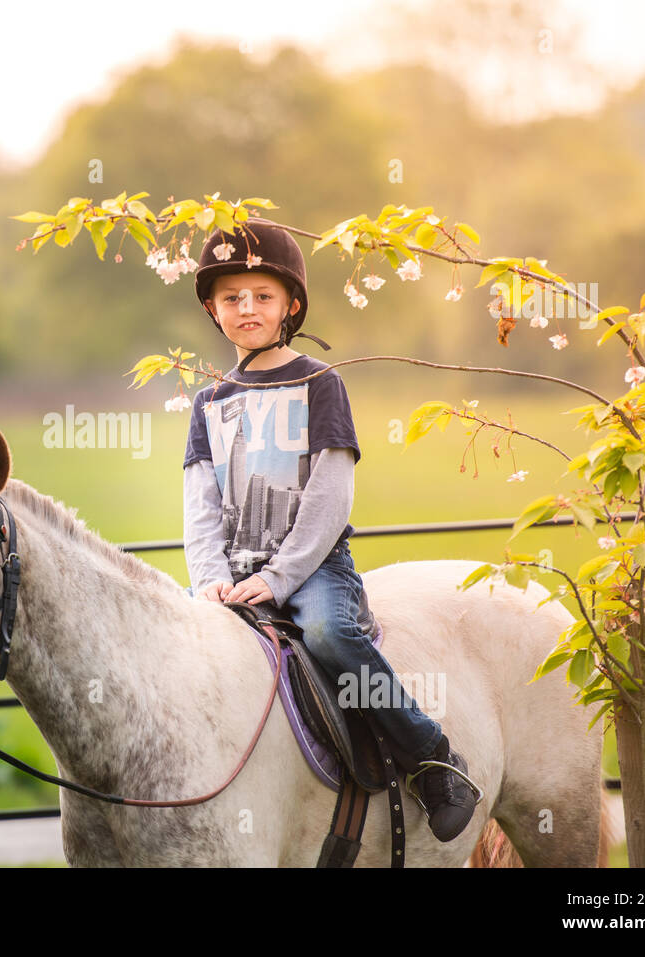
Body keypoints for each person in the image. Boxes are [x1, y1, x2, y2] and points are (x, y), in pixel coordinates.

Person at [181, 219, 478, 842]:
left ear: (291, 305)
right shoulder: (209, 403)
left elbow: (330, 495)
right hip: (231, 573)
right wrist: (209, 580)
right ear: (213, 308)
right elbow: (201, 504)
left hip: (312, 569)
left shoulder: (319, 384)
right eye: (232, 298)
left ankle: (434, 761)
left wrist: (278, 576)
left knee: (330, 635)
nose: (247, 308)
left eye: (262, 296)